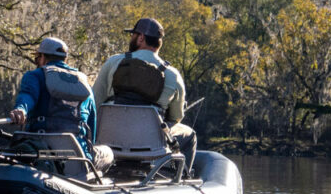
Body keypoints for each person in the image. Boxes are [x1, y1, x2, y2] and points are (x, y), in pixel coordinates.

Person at [92, 17, 197, 176]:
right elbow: (176, 117)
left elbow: (94, 103)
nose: (131, 38)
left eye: (133, 35)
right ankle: (179, 178)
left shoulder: (113, 62)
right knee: (190, 135)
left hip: (109, 141)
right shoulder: (173, 75)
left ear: (141, 38)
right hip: (151, 147)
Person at [10, 37, 113, 173]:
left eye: (37, 58)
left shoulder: (34, 76)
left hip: (41, 155)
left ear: (42, 58)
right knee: (108, 153)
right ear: (65, 59)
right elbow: (91, 130)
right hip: (79, 159)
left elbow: (27, 96)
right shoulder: (84, 84)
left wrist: (20, 109)